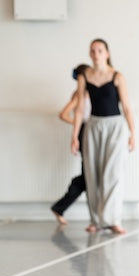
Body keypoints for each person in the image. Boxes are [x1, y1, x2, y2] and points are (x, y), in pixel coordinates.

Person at [71, 38, 135, 234]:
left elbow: (127, 107)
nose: (96, 54)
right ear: (90, 54)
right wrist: (74, 136)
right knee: (92, 174)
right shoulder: (84, 77)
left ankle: (113, 219)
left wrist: (133, 133)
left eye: (99, 50)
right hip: (93, 126)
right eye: (92, 50)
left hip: (115, 127)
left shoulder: (117, 76)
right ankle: (96, 220)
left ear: (107, 53)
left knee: (113, 174)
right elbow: (79, 109)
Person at [51, 64, 92, 225]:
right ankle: (60, 207)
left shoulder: (93, 92)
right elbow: (63, 114)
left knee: (88, 175)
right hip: (86, 134)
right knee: (87, 176)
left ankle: (60, 207)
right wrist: (80, 125)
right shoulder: (79, 94)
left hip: (94, 133)